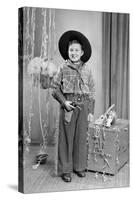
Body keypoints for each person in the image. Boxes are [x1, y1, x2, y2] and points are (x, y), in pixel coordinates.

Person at [51, 30, 95, 182]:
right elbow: (54, 88)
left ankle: (79, 166)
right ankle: (66, 170)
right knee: (67, 139)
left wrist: (90, 111)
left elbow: (92, 91)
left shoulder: (87, 69)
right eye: (71, 50)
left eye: (77, 50)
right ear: (67, 52)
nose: (74, 53)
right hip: (69, 106)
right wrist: (64, 102)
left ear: (82, 52)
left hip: (83, 107)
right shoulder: (62, 68)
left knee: (81, 138)